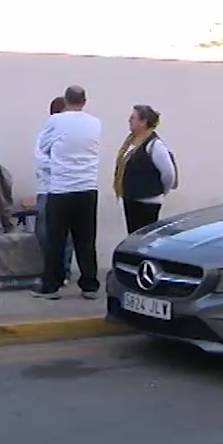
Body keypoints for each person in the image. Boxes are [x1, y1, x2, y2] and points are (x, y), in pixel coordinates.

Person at [34, 85, 101, 300]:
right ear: (84, 101)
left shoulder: (56, 121)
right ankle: (89, 285)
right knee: (86, 239)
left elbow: (41, 149)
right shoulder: (95, 122)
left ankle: (51, 286)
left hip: (61, 188)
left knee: (56, 239)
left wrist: (58, 166)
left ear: (66, 100)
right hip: (88, 188)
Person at [114, 104, 176, 233]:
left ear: (143, 122)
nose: (129, 120)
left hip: (148, 201)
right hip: (131, 198)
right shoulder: (131, 141)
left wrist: (160, 191)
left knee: (144, 237)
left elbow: (169, 174)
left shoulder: (154, 145)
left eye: (133, 118)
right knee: (132, 235)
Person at [34, 97, 73, 285]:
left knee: (68, 236)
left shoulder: (72, 135)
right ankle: (49, 270)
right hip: (48, 190)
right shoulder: (46, 134)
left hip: (68, 189)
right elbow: (41, 160)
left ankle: (64, 271)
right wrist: (63, 167)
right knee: (44, 233)